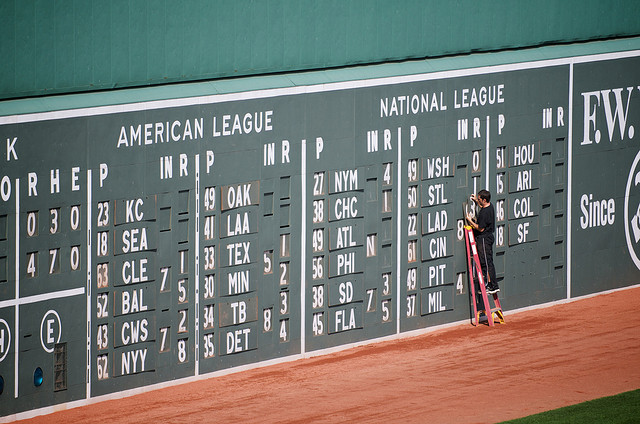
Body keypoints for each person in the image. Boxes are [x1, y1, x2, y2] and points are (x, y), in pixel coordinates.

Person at [466, 189, 499, 294]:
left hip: (484, 239)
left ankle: (491, 285)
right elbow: (482, 207)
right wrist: (476, 201)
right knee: (487, 261)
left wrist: (469, 220)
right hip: (488, 238)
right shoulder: (490, 206)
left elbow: (480, 228)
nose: (478, 200)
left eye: (479, 198)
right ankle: (490, 284)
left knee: (486, 263)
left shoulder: (484, 213)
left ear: (484, 200)